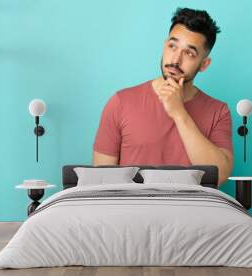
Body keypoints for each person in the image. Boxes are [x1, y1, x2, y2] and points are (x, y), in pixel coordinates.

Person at [92, 7, 233, 186]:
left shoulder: (218, 111)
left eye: (189, 53)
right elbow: (102, 183)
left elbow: (218, 177)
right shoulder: (121, 102)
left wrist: (179, 114)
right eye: (172, 46)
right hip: (131, 211)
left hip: (191, 212)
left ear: (204, 64)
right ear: (165, 45)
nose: (175, 59)